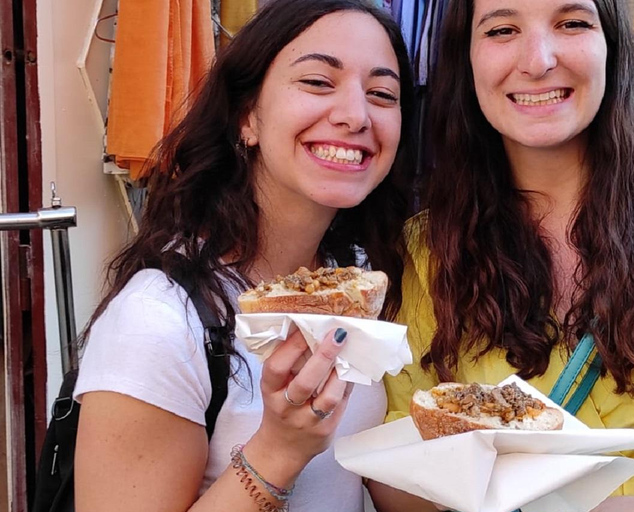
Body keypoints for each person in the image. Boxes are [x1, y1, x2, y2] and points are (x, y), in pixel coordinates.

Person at [371, 0, 634, 511]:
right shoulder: (426, 256)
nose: (537, 60)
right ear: (466, 60)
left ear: (614, 49)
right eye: (501, 29)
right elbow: (401, 475)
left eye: (572, 23)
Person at [73, 1, 414, 511]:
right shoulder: (158, 321)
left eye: (382, 93)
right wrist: (278, 452)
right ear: (246, 116)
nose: (355, 115)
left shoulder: (366, 283)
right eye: (319, 82)